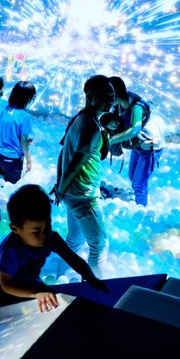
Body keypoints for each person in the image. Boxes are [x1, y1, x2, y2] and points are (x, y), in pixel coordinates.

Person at [0, 184, 107, 311]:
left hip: (29, 281)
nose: (44, 234)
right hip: (2, 293)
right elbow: (6, 284)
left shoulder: (50, 237)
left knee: (52, 301)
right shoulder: (10, 249)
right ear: (15, 229)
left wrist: (88, 274)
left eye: (48, 226)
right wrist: (36, 293)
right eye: (36, 231)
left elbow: (71, 257)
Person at [53, 75, 116, 277]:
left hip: (72, 194)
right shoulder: (90, 127)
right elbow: (74, 164)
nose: (110, 100)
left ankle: (61, 276)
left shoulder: (79, 119)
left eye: (112, 95)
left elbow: (63, 153)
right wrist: (60, 188)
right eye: (105, 95)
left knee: (74, 239)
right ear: (91, 97)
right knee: (99, 245)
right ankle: (94, 288)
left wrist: (60, 186)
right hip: (83, 196)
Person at [107, 76, 164, 206]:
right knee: (132, 176)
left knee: (139, 184)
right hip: (138, 146)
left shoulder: (137, 106)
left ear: (116, 94)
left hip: (150, 147)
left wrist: (112, 140)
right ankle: (141, 201)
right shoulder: (119, 106)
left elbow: (134, 130)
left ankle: (142, 210)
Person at [0, 80, 35, 184]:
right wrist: (29, 160)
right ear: (28, 98)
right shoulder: (24, 117)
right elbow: (24, 142)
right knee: (10, 188)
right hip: (12, 160)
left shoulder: (5, 109)